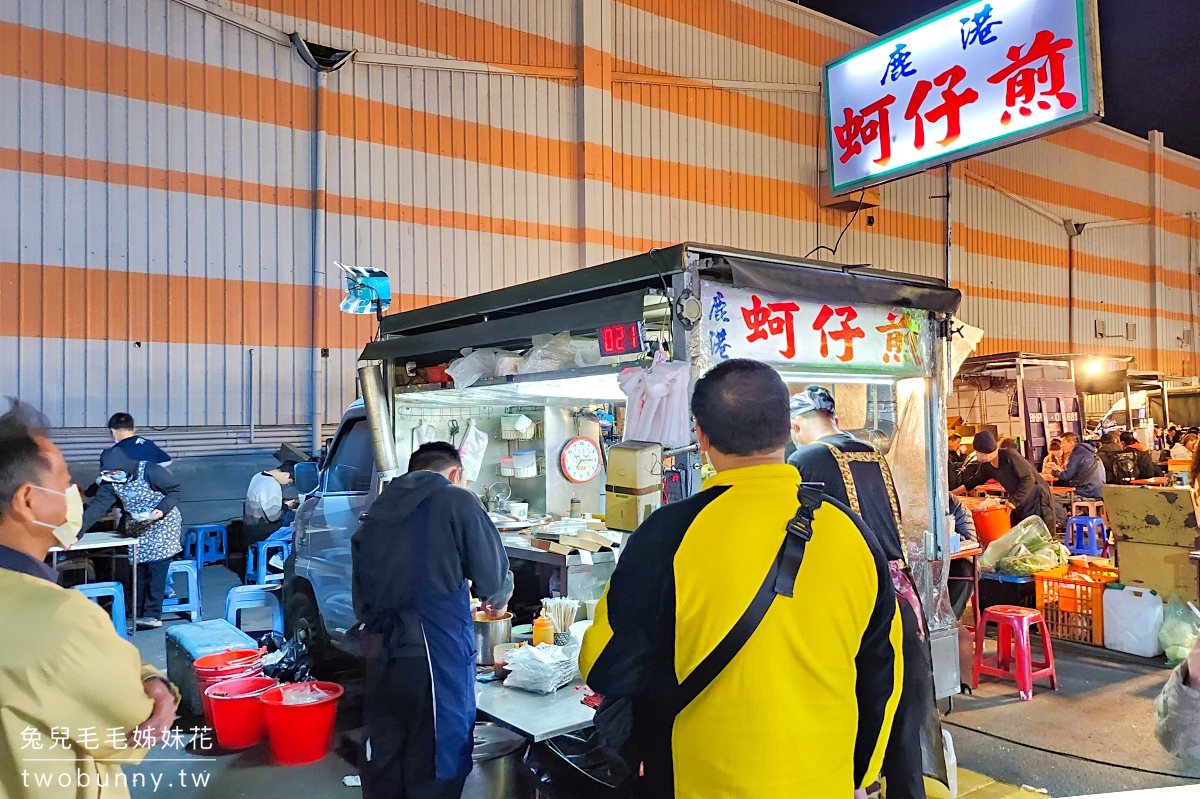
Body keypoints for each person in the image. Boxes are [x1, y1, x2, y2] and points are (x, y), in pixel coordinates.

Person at [581, 363, 903, 797]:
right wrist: (861, 776)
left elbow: (608, 666)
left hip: (698, 782)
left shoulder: (666, 534)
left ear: (702, 436)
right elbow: (884, 672)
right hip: (824, 781)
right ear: (786, 429)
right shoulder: (853, 534)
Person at [0, 400, 179, 799]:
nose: (74, 493)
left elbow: (171, 493)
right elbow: (132, 720)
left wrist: (157, 514)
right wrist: (156, 682)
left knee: (156, 571)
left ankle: (152, 611)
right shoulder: (60, 619)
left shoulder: (148, 469)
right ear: (28, 501)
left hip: (162, 528)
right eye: (64, 481)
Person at [786, 385, 945, 798]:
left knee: (861, 718)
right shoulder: (870, 452)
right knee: (903, 718)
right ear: (834, 418)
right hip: (901, 595)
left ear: (796, 426)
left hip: (859, 599)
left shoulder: (806, 458)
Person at [353, 442, 513, 799]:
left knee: (387, 757)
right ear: (455, 473)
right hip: (434, 656)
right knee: (438, 761)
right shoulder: (456, 499)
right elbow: (494, 582)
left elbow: (360, 598)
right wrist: (497, 603)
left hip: (381, 655)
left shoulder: (378, 508)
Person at [80, 447, 182, 629]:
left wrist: (161, 510)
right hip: (137, 525)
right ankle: (137, 611)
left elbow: (174, 490)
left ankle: (152, 614)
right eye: (109, 472)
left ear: (124, 466)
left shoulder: (149, 470)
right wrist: (77, 531)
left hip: (163, 523)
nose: (113, 475)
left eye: (116, 471)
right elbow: (97, 507)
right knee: (138, 568)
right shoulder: (110, 483)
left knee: (156, 567)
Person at [958, 431, 1058, 533]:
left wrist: (1014, 501)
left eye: (985, 453)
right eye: (979, 452)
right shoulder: (986, 465)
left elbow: (1028, 479)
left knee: (1040, 537)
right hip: (1018, 501)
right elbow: (974, 481)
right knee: (1019, 536)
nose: (982, 456)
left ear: (994, 450)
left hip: (1037, 498)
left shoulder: (1010, 456)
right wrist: (952, 493)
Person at [243, 462, 299, 546]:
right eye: (290, 481)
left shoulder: (258, 476)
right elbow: (273, 517)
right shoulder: (272, 484)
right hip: (264, 533)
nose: (288, 484)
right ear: (287, 475)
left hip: (251, 530)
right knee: (304, 533)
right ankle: (280, 558)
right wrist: (287, 505)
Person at [947, 494, 977, 620]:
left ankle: (950, 621)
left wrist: (952, 536)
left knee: (967, 569)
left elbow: (971, 541)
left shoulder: (954, 504)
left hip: (953, 561)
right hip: (916, 561)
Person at [1052, 432, 1106, 499]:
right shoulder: (1089, 452)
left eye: (1063, 443)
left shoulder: (1076, 454)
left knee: (1050, 497)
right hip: (1099, 491)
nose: (1061, 446)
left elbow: (1066, 476)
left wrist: (1053, 472)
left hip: (1086, 492)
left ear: (1071, 443)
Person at [106, 413, 172, 467]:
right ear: (133, 429)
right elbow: (167, 461)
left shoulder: (114, 452)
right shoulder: (149, 444)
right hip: (152, 482)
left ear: (112, 431)